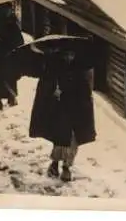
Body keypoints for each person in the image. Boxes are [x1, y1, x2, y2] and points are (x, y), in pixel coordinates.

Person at [26, 49, 96, 182]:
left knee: (72, 141)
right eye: (67, 54)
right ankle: (55, 164)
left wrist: (83, 103)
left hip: (75, 111)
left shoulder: (80, 70)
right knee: (60, 139)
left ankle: (66, 167)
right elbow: (45, 86)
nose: (69, 57)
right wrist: (54, 92)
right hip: (60, 110)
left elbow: (85, 90)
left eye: (72, 54)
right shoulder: (55, 69)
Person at [0, 3, 24, 110]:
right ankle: (4, 99)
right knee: (4, 77)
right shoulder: (8, 23)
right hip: (2, 55)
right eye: (9, 9)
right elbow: (19, 40)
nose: (10, 11)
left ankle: (8, 98)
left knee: (4, 77)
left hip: (2, 55)